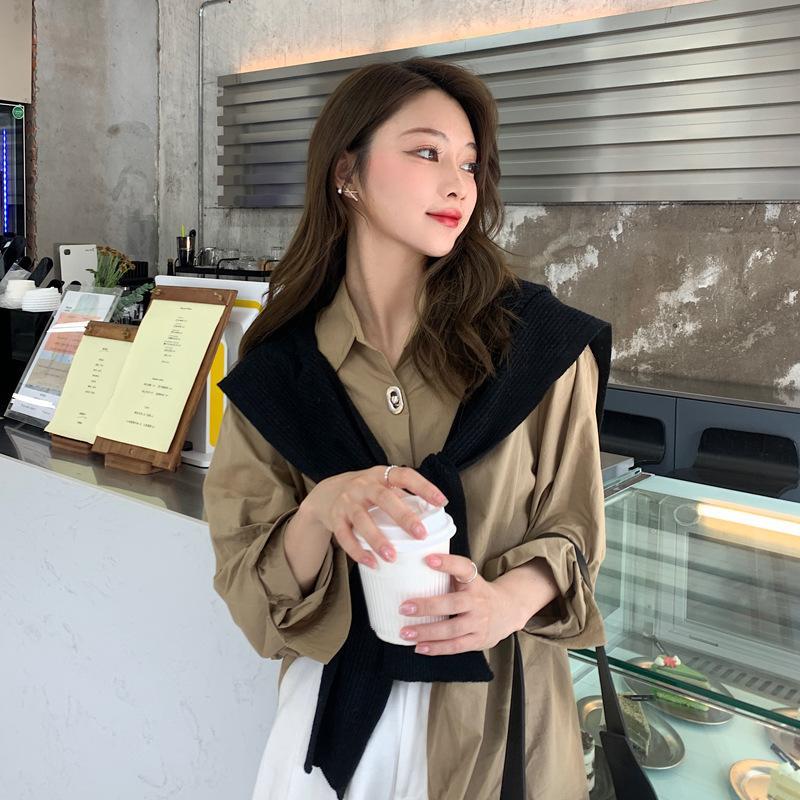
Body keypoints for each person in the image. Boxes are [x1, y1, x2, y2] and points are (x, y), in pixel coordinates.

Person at [203, 56, 610, 800]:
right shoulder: (280, 373)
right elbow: (250, 591)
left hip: (500, 722)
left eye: (470, 163)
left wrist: (504, 603)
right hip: (334, 728)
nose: (459, 184)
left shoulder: (539, 347)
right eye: (427, 152)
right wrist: (322, 509)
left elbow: (575, 534)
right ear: (346, 173)